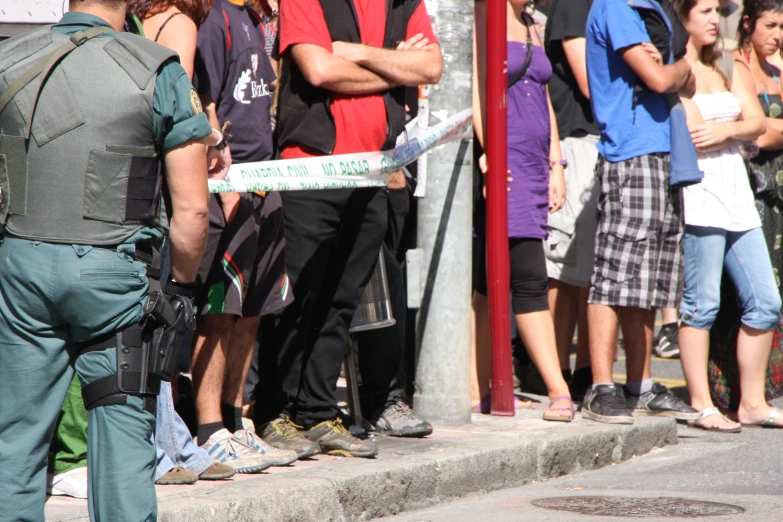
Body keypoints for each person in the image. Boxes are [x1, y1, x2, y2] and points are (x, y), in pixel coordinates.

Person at [0, 0, 211, 520]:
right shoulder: (156, 67)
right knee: (122, 444)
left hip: (21, 269)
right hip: (111, 282)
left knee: (15, 444)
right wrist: (180, 290)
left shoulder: (11, 59)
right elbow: (193, 208)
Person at [252, 0, 442, 458]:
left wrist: (353, 52)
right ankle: (274, 411)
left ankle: (317, 412)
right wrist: (397, 66)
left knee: (341, 301)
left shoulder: (404, 4)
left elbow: (431, 66)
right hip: (311, 168)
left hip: (372, 172)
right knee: (293, 299)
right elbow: (318, 69)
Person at [190, 0, 299, 469]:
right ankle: (208, 426)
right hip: (227, 184)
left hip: (263, 179)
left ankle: (235, 420)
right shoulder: (216, 19)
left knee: (253, 310)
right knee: (220, 310)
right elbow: (205, 98)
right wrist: (223, 173)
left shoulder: (257, 21)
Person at [583, 0, 702, 423]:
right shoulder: (616, 5)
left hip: (668, 152)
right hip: (630, 154)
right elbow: (658, 76)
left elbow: (685, 79)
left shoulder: (655, 8)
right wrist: (676, 70)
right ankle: (601, 387)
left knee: (650, 279)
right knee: (615, 273)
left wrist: (676, 70)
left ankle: (641, 386)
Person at [673, 0, 778, 431]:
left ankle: (752, 403)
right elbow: (696, 133)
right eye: (705, 11)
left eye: (719, 11)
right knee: (702, 304)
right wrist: (729, 130)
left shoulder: (730, 66)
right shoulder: (677, 67)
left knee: (767, 303)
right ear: (683, 18)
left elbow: (756, 123)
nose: (716, 20)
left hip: (737, 194)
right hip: (700, 194)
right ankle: (702, 404)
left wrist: (727, 130)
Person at [474, 0, 574, 421]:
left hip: (535, 163)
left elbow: (544, 96)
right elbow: (476, 88)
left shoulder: (533, 21)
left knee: (489, 278)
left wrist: (556, 164)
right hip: (507, 159)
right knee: (528, 273)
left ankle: (479, 389)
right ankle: (558, 389)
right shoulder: (483, 13)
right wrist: (489, 151)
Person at [708, 0, 783, 413]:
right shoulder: (734, 66)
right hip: (750, 192)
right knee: (738, 295)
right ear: (749, 24)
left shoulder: (776, 69)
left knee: (773, 293)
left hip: (778, 195)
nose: (778, 34)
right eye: (771, 25)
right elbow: (759, 136)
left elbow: (769, 129)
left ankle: (767, 390)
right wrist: (765, 129)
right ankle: (730, 390)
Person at [543, 0, 598, 402]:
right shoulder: (573, 4)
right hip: (576, 139)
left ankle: (582, 371)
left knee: (590, 268)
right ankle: (554, 369)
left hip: (598, 140)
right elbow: (589, 82)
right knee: (563, 266)